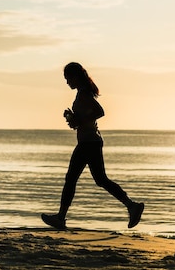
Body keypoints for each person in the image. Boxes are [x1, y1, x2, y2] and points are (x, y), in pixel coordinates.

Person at [42, 62, 144, 230]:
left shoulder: (83, 94)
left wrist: (79, 120)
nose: (67, 82)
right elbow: (87, 117)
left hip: (89, 143)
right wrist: (73, 118)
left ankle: (61, 217)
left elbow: (99, 111)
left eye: (68, 78)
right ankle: (132, 206)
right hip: (90, 141)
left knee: (72, 179)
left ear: (75, 77)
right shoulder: (82, 93)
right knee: (100, 180)